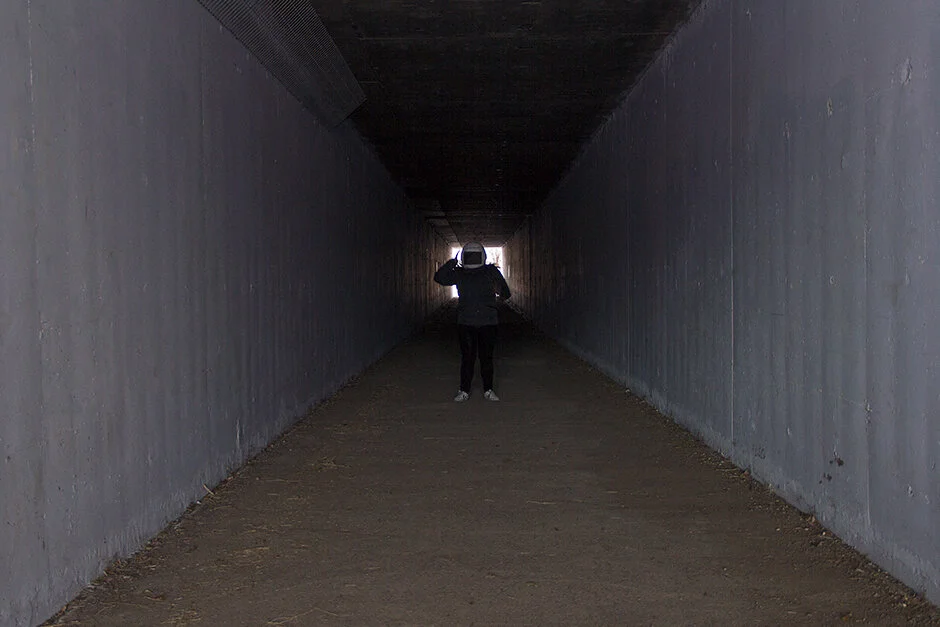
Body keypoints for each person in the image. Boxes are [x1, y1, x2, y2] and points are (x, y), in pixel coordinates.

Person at [434, 243, 511, 402]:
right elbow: (439, 278)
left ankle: (483, 390)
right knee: (473, 358)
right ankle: (468, 390)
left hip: (482, 322)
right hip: (471, 322)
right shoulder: (463, 273)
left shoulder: (487, 272)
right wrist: (452, 263)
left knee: (481, 358)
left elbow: (505, 292)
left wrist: (452, 263)